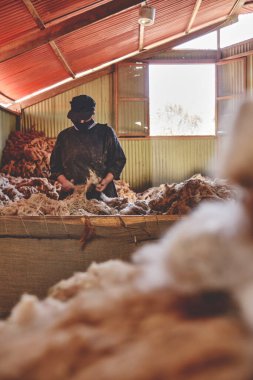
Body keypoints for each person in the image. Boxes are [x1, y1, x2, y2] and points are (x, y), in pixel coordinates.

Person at [50, 95, 126, 199]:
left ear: (92, 114)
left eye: (84, 118)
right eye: (78, 119)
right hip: (72, 195)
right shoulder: (64, 136)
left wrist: (106, 180)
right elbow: (55, 165)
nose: (81, 122)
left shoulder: (106, 133)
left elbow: (118, 160)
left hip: (102, 194)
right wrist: (64, 182)